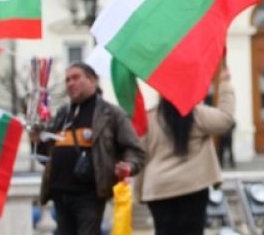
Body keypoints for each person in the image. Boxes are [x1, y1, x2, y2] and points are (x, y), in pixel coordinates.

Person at [31, 62, 145, 235]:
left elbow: (135, 151)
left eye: (76, 78)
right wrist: (36, 142)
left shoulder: (110, 113)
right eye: (67, 80)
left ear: (92, 80)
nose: (70, 83)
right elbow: (46, 157)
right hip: (59, 194)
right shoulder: (62, 114)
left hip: (89, 196)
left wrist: (127, 166)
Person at [136, 63, 235, 235]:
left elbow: (141, 158)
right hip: (193, 186)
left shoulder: (149, 118)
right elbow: (225, 120)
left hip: (159, 189)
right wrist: (225, 84)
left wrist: (139, 193)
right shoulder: (197, 114)